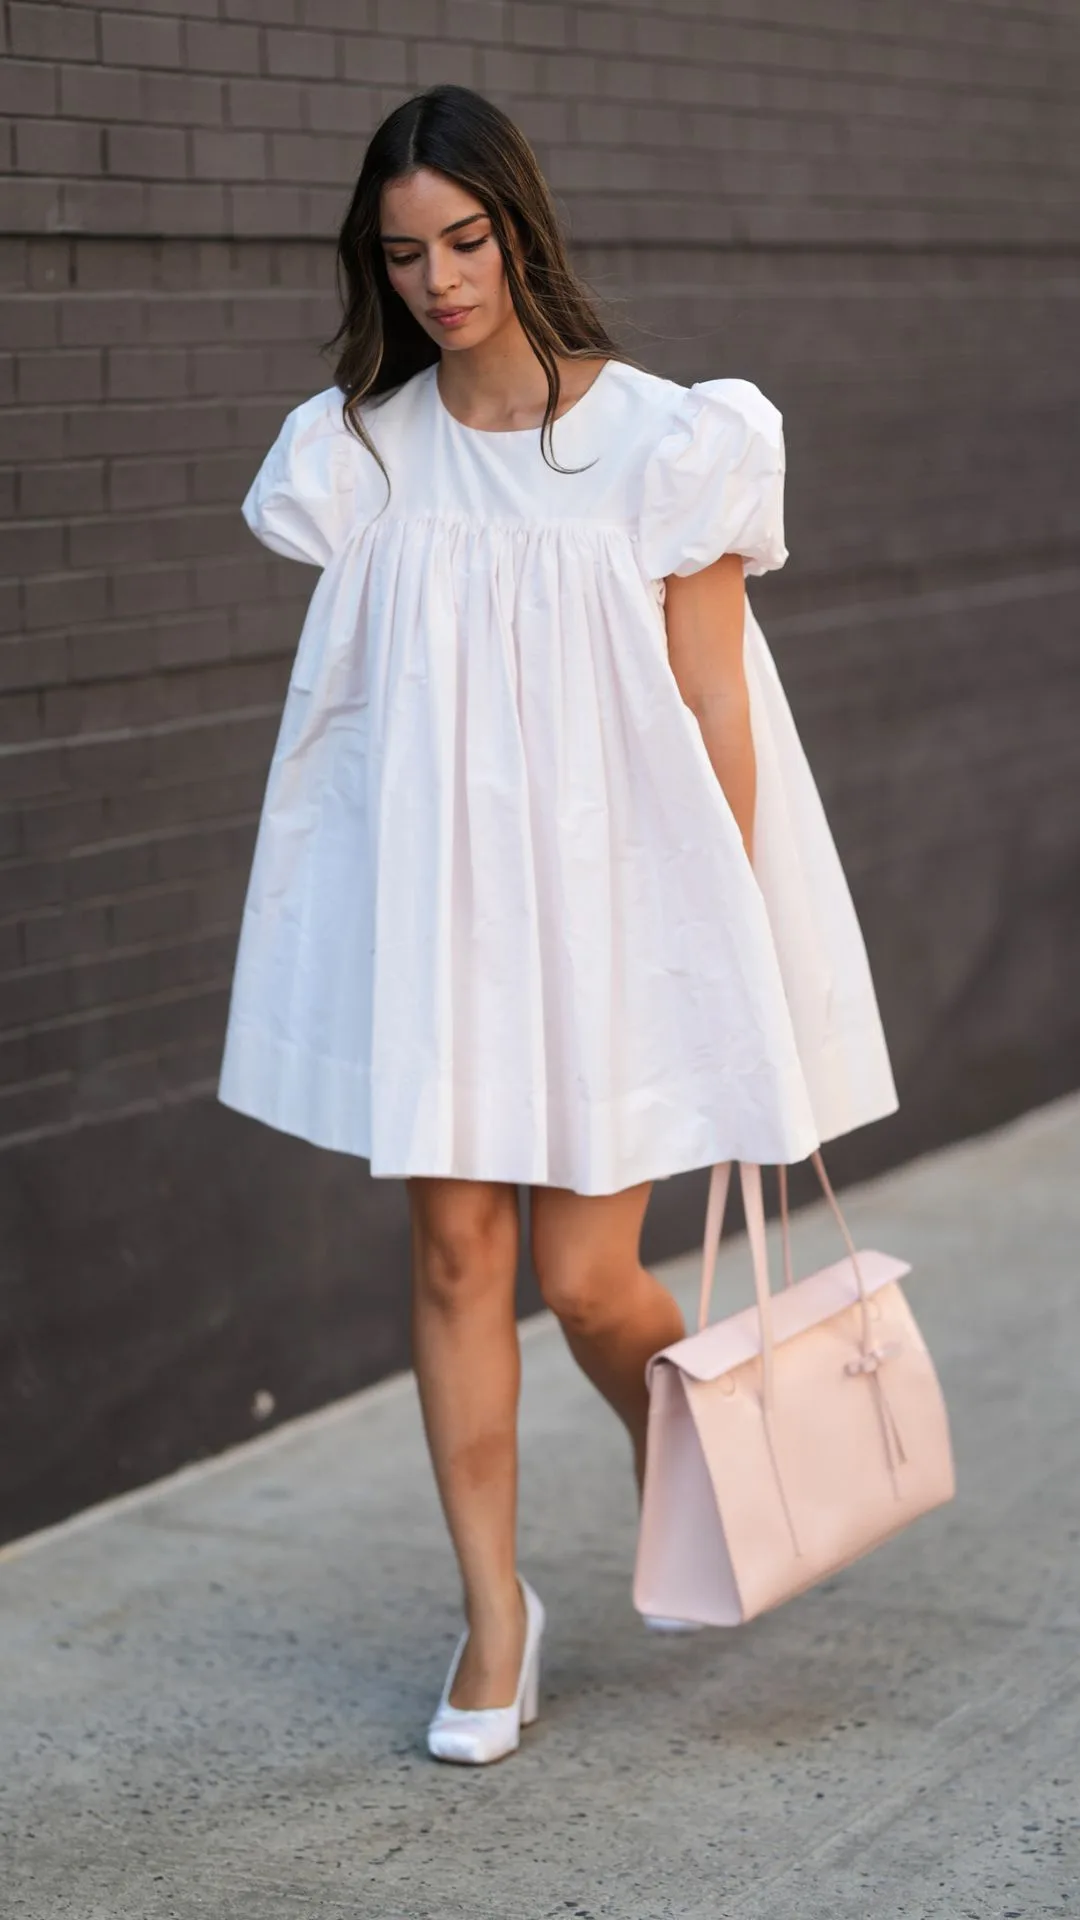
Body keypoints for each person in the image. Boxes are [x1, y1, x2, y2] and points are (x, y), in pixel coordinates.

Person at [217, 84, 897, 1767]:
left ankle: (716, 1473)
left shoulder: (672, 444)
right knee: (457, 1256)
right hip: (451, 919)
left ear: (521, 229)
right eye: (403, 255)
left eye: (464, 239)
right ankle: (497, 1622)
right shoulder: (362, 455)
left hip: (617, 918)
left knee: (591, 1283)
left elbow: (715, 710)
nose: (439, 279)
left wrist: (721, 938)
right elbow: (362, 721)